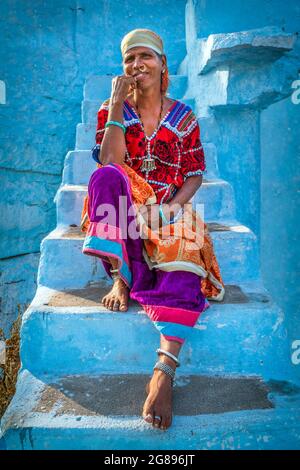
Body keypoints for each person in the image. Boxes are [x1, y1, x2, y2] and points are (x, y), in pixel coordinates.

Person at [81, 29, 225, 431]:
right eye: (129, 59)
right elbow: (109, 161)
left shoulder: (184, 117)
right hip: (125, 208)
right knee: (106, 178)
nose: (137, 65)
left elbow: (194, 174)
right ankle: (121, 278)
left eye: (145, 56)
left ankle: (164, 370)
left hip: (169, 211)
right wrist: (113, 105)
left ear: (162, 64)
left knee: (187, 249)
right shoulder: (112, 110)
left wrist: (171, 210)